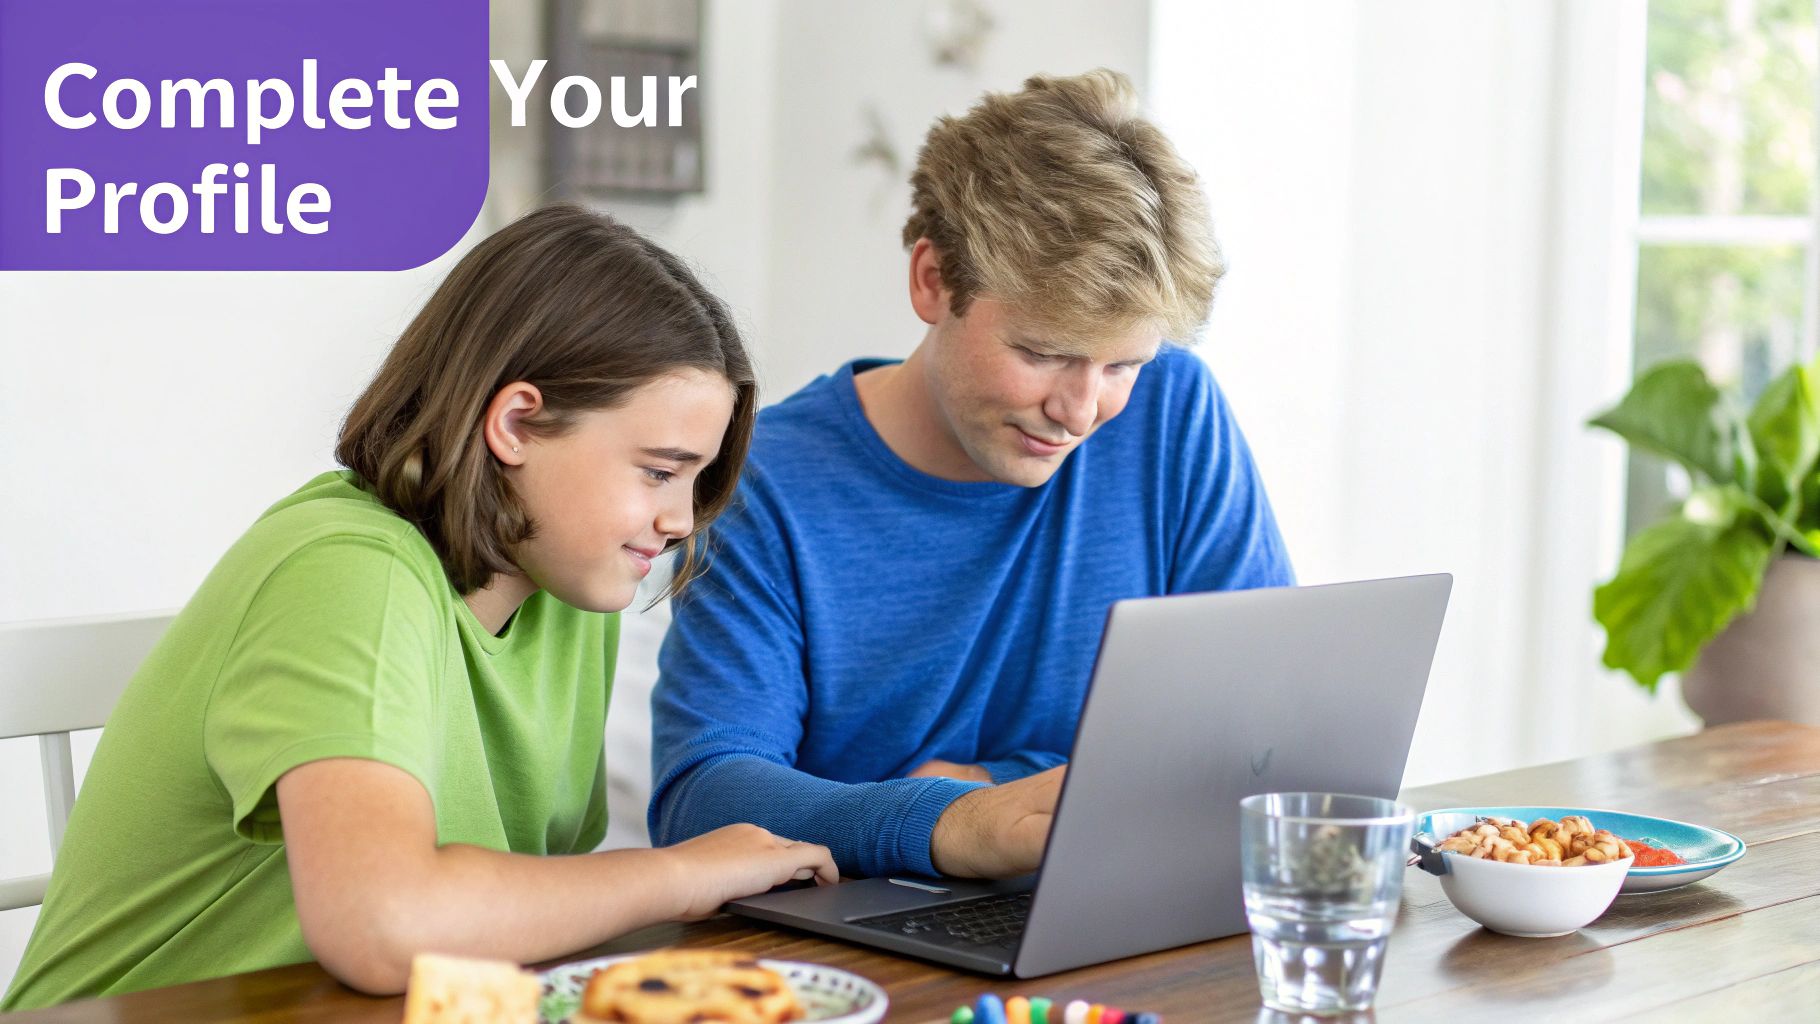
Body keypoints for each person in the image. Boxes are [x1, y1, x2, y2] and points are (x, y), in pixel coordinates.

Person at [1, 205, 836, 1011]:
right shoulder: (349, 573)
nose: (681, 519)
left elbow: (510, 919)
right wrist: (685, 872)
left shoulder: (569, 594)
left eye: (695, 480)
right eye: (658, 471)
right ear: (515, 423)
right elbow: (383, 925)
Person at [649, 69, 1295, 882]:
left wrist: (997, 787)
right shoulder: (765, 480)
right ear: (932, 280)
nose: (1081, 410)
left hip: (1118, 905)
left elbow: (1260, 733)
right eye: (1043, 352)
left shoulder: (1174, 411)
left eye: (1124, 363)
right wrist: (943, 824)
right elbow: (701, 799)